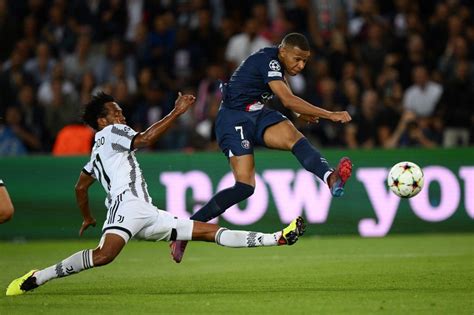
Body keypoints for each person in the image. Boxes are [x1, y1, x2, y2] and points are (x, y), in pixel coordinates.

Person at [6, 92, 306, 296]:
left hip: (145, 212)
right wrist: (177, 111)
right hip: (127, 206)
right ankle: (39, 276)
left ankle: (277, 238)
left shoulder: (96, 150)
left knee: (207, 232)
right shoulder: (112, 133)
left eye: (121, 112)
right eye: (116, 112)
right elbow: (146, 139)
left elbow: (81, 185)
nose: (122, 116)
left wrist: (87, 216)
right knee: (104, 256)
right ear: (102, 120)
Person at [171, 32, 353, 263]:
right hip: (233, 119)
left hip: (257, 113)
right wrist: (330, 114)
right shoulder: (269, 60)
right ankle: (185, 231)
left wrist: (299, 112)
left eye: (305, 60)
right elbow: (287, 99)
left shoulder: (276, 62)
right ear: (283, 50)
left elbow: (283, 92)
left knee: (294, 138)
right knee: (245, 186)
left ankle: (330, 177)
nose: (301, 65)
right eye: (297, 59)